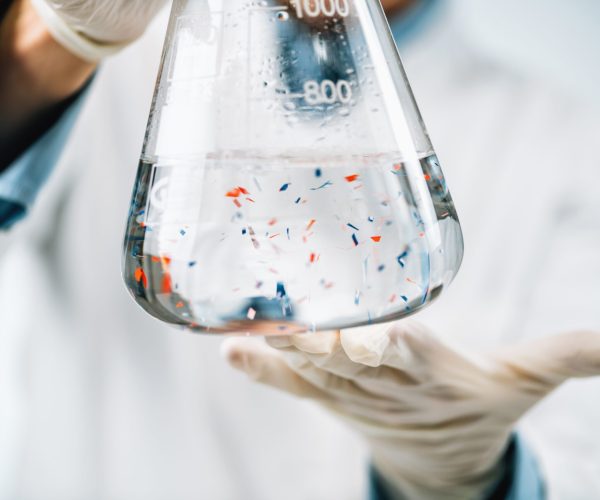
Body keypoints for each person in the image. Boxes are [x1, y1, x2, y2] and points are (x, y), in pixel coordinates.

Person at [0, 1, 599, 499]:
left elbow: (575, 467)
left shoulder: (568, 144)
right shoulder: (122, 50)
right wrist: (54, 45)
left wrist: (472, 478)